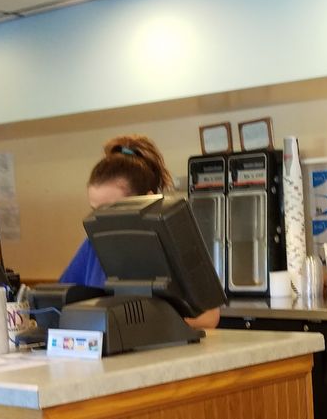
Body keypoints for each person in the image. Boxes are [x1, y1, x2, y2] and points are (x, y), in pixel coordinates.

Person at [61, 135, 220, 330]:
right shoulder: (92, 247)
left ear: (148, 199)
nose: (101, 220)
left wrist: (145, 325)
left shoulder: (175, 245)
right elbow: (63, 301)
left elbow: (209, 316)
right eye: (95, 210)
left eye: (112, 209)